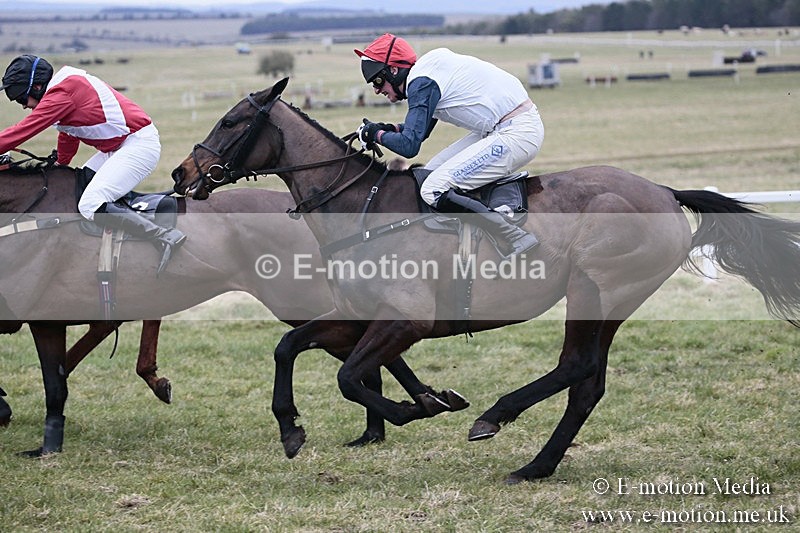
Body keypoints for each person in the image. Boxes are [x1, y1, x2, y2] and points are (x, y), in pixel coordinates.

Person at [355, 34, 543, 257]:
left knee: (433, 188)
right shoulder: (426, 73)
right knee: (426, 176)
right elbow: (418, 131)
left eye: (377, 81)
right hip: (503, 127)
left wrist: (376, 134)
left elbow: (409, 145)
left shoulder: (422, 82)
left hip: (517, 132)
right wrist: (381, 129)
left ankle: (514, 235)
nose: (377, 90)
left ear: (393, 70)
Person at [0, 55, 185, 272]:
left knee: (89, 204)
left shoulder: (62, 93)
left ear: (38, 86)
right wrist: (61, 163)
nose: (24, 106)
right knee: (77, 187)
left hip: (138, 146)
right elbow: (68, 133)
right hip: (118, 147)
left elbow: (22, 131)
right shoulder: (61, 89)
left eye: (23, 99)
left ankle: (163, 236)